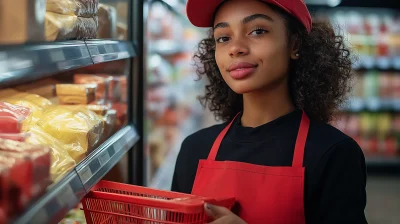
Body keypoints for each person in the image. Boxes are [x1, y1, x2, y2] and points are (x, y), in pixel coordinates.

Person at [171, 0, 367, 223]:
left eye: (257, 31)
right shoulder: (194, 149)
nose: (235, 48)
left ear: (295, 44)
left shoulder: (333, 154)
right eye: (224, 38)